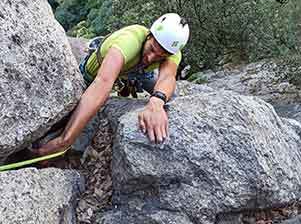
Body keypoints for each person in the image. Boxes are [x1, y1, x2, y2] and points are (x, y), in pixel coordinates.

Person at [34, 13, 190, 155]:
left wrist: (156, 102)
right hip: (94, 73)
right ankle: (49, 144)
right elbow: (102, 83)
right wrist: (65, 140)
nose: (151, 58)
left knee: (169, 96)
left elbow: (168, 77)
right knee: (79, 115)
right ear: (149, 35)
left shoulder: (172, 51)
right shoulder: (128, 41)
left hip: (139, 72)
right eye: (152, 49)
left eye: (160, 57)